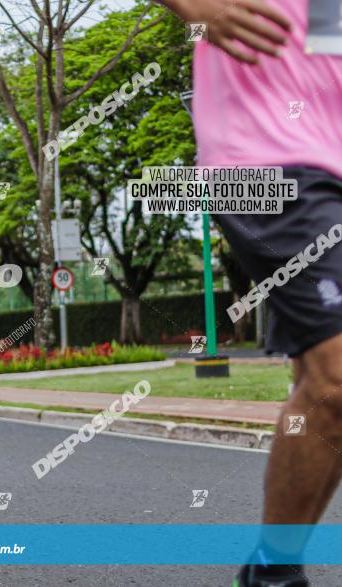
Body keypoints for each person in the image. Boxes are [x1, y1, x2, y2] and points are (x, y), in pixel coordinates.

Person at [159, 1, 341, 585]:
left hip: (332, 162)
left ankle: (272, 569)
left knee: (319, 390)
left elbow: (326, 32)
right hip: (266, 156)